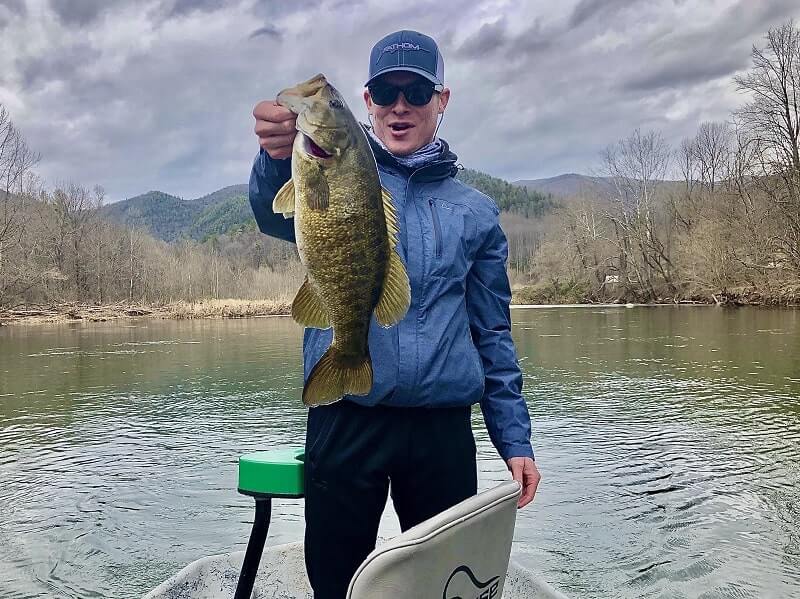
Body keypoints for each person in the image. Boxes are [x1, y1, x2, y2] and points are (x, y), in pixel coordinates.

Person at [248, 30, 541, 599]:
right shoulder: (330, 169)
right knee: (334, 580)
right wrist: (274, 156)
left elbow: (493, 333)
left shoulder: (476, 212)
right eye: (386, 93)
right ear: (367, 103)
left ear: (442, 100)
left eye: (415, 92)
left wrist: (515, 439)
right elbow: (269, 212)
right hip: (346, 416)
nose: (399, 106)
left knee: (447, 586)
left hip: (442, 429)